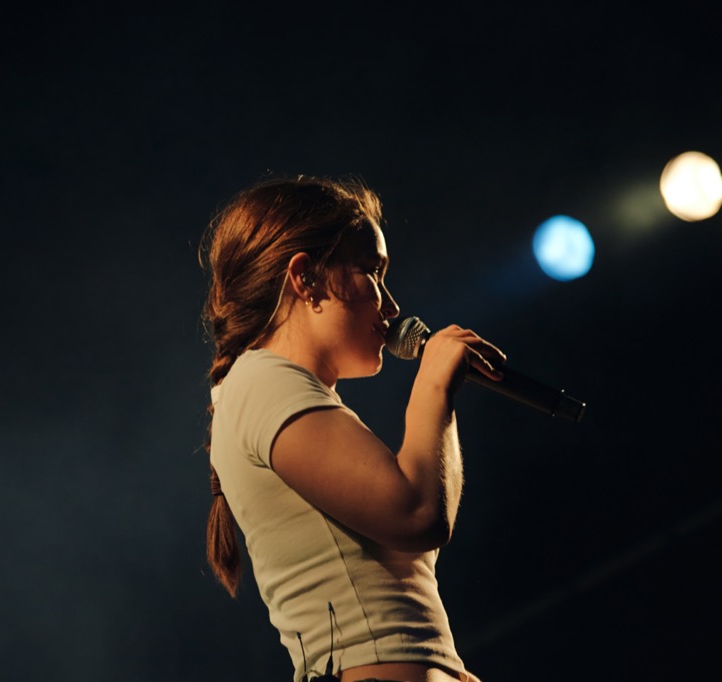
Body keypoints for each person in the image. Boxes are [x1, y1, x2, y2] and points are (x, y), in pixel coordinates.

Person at [200, 174, 506, 682]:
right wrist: (434, 383)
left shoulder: (281, 392)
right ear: (306, 278)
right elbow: (418, 513)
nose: (391, 305)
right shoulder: (261, 381)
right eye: (371, 271)